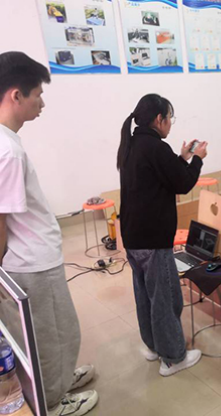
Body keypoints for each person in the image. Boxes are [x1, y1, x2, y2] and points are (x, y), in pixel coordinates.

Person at [0, 52, 98, 415]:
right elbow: (1, 218)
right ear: (16, 95)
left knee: (56, 332)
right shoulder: (8, 151)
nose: (42, 103)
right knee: (53, 336)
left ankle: (58, 380)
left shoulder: (7, 141)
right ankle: (53, 401)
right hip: (33, 263)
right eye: (38, 94)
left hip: (32, 259)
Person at [118, 94, 208, 377]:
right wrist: (197, 160)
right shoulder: (156, 147)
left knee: (145, 295)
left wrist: (182, 158)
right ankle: (172, 357)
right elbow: (182, 183)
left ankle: (154, 346)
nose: (170, 123)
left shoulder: (132, 144)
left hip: (133, 236)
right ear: (159, 119)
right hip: (153, 238)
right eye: (169, 118)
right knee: (166, 299)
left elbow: (164, 174)